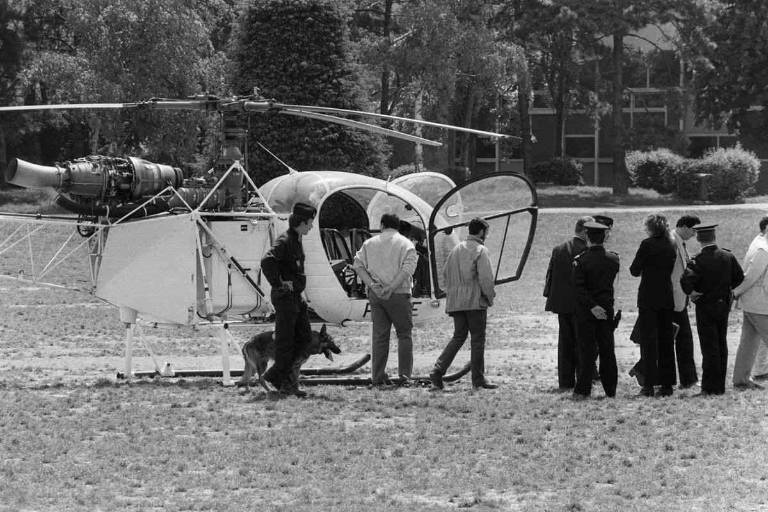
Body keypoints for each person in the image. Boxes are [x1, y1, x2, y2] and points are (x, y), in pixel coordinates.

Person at [430, 218, 497, 391]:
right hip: (474, 302)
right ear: (481, 232)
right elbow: (486, 279)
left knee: (458, 337)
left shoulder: (456, 249)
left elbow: (445, 273)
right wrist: (489, 297)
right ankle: (478, 379)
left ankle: (438, 371)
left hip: (456, 302)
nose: (486, 236)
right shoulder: (481, 250)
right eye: (486, 232)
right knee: (477, 340)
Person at [353, 213, 418, 386]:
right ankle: (404, 376)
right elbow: (408, 269)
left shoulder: (369, 243)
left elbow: (357, 265)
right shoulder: (406, 244)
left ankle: (377, 376)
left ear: (382, 225)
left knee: (380, 336)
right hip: (399, 293)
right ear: (397, 226)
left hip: (376, 294)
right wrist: (392, 287)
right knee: (404, 335)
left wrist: (373, 285)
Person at [260, 201, 317, 397]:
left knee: (304, 338)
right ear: (301, 222)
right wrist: (279, 283)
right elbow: (267, 261)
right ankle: (285, 383)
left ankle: (277, 375)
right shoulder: (285, 240)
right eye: (310, 223)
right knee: (286, 342)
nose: (311, 226)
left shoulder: (297, 239)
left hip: (295, 298)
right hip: (285, 298)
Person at [681, 223, 744, 396]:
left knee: (709, 346)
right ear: (714, 237)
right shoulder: (727, 256)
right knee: (721, 343)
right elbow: (739, 277)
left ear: (699, 239)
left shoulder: (698, 260)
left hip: (705, 306)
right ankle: (720, 386)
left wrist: (693, 293)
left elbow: (685, 281)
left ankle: (710, 386)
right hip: (723, 305)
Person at [629, 214, 677, 397]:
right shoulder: (671, 244)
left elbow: (634, 270)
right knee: (666, 341)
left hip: (648, 297)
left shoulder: (647, 244)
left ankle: (648, 384)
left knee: (648, 342)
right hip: (666, 295)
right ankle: (667, 384)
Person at [543, 216, 593, 390]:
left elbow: (550, 275)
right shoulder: (588, 250)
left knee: (565, 343)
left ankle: (565, 381)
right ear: (586, 231)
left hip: (562, 303)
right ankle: (584, 378)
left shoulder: (559, 248)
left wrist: (550, 296)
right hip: (582, 304)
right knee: (583, 343)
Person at [572, 221, 620, 399]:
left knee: (586, 351)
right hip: (606, 310)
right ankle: (610, 389)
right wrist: (600, 306)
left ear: (587, 237)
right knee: (608, 350)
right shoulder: (614, 259)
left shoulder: (581, 261)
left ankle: (583, 389)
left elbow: (579, 289)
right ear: (604, 237)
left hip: (586, 311)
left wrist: (592, 306)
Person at [731, 216, 768, 389]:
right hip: (760, 304)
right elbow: (751, 277)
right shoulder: (763, 249)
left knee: (748, 342)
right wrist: (736, 292)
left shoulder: (758, 242)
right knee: (748, 342)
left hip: (753, 304)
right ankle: (741, 379)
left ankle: (741, 379)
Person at [670, 215, 701, 388]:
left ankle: (688, 379)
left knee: (684, 340)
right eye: (693, 230)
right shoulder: (673, 241)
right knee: (683, 340)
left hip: (680, 298)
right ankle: (687, 379)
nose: (695, 234)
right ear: (684, 227)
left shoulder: (679, 241)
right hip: (674, 300)